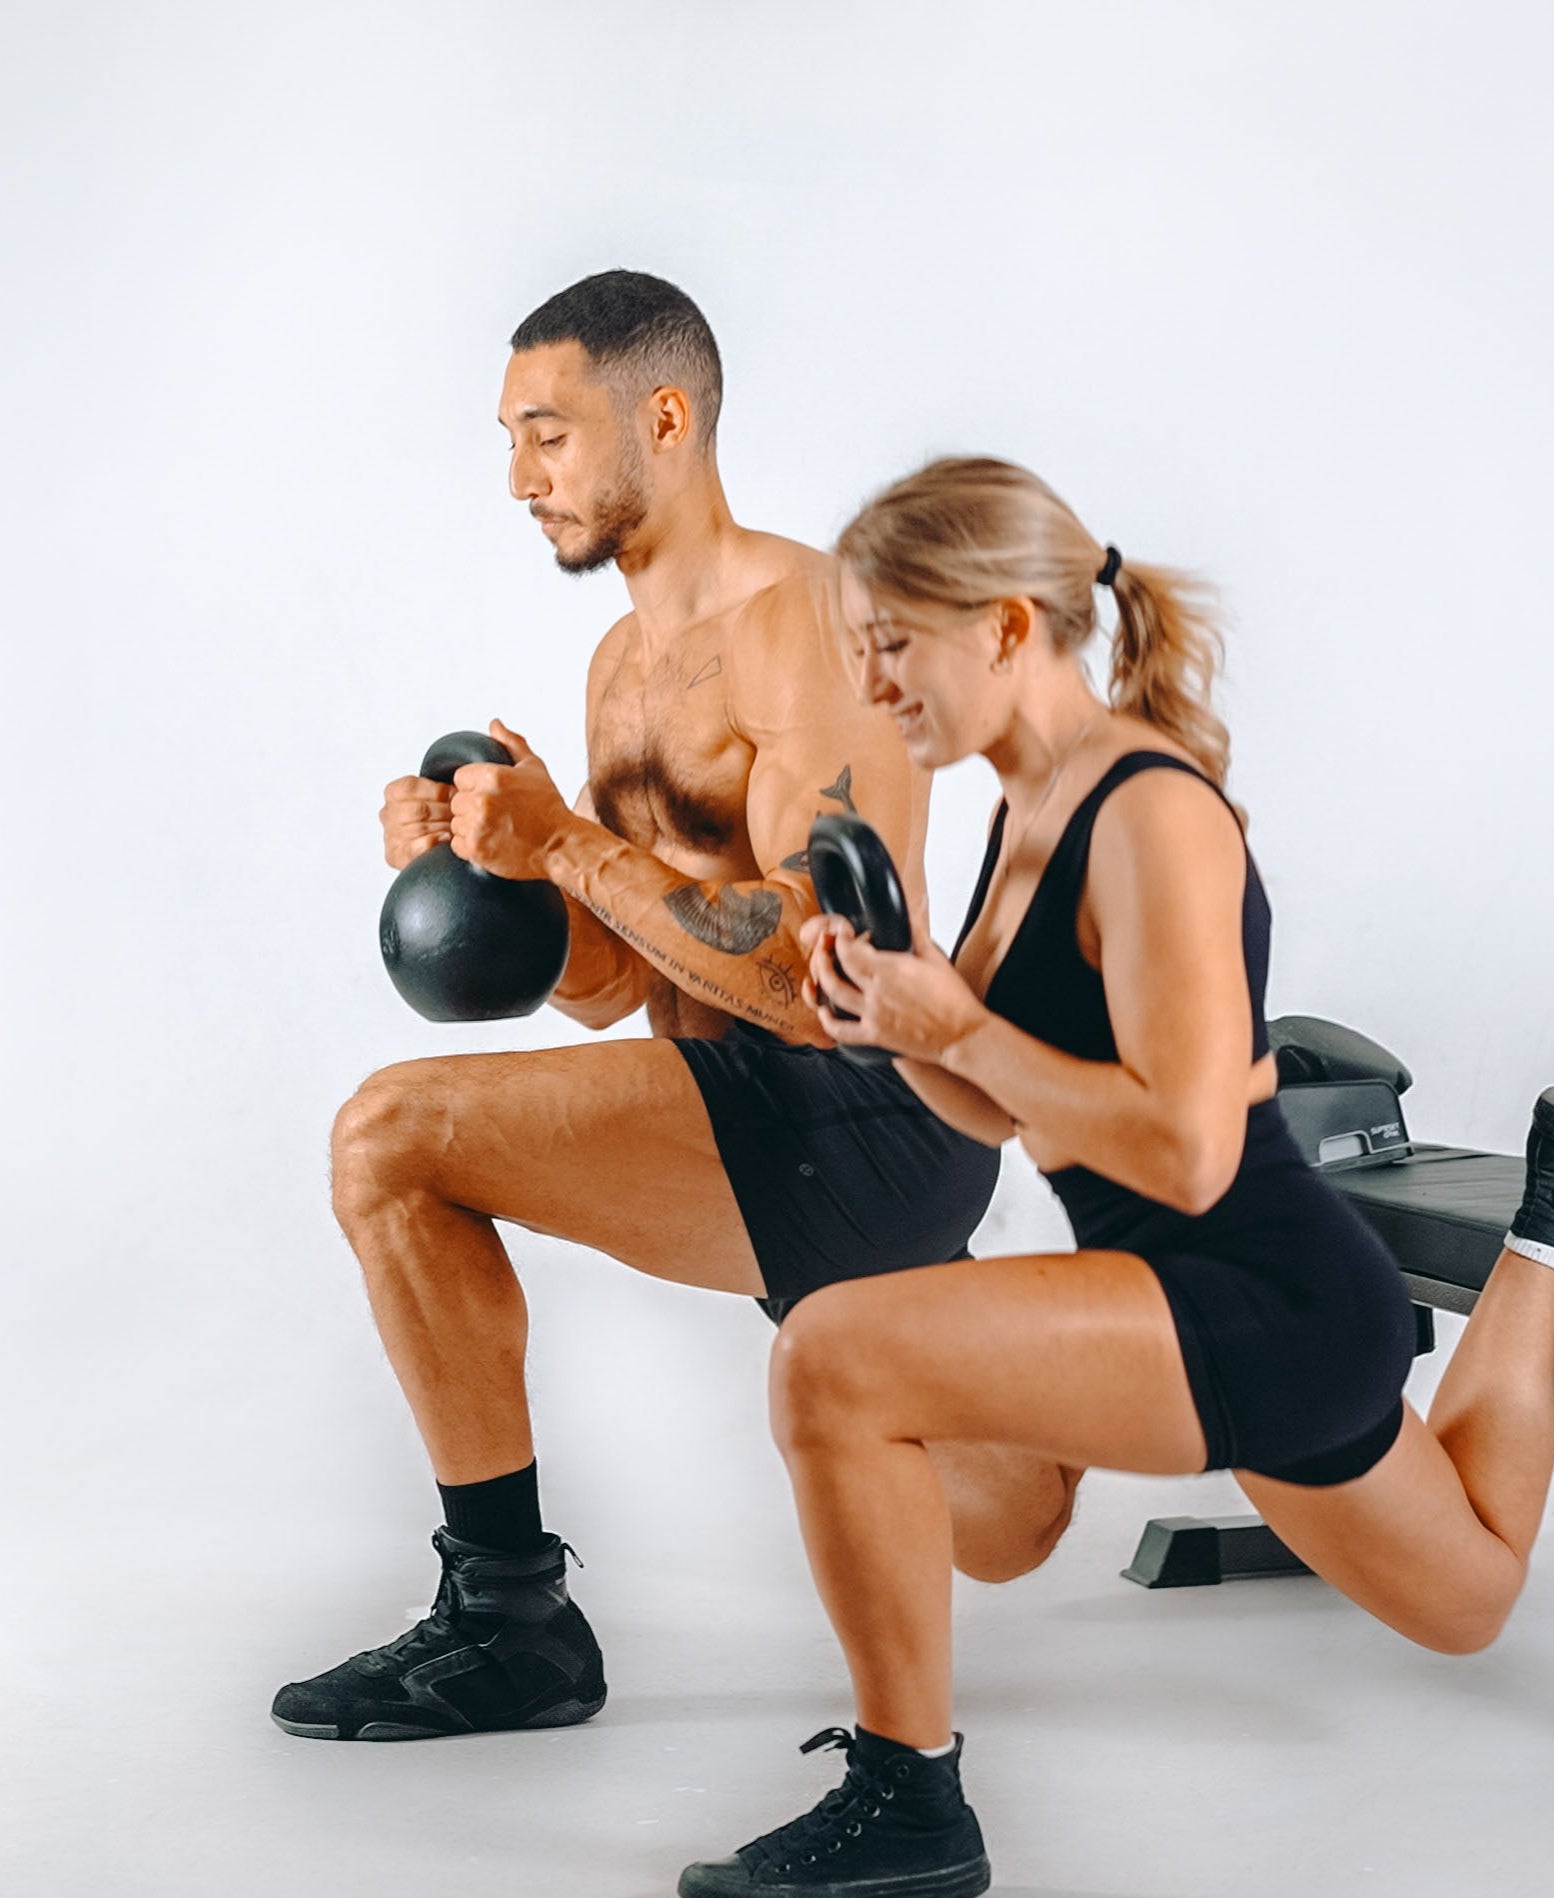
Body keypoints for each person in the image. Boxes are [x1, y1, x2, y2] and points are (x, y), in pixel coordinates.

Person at [674, 457, 1554, 1898]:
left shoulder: (1152, 812)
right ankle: (1553, 1222)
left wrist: (962, 1022)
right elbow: (992, 1110)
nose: (872, 689)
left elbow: (1185, 1148)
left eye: (890, 643)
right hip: (1195, 1301)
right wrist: (884, 1019)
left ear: (1001, 626)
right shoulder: (1025, 810)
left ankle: (909, 1806)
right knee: (1475, 1596)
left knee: (833, 1355)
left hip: (1257, 1293)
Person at [272, 275, 1043, 1744]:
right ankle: (1274, 1383)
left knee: (390, 1135)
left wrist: (564, 839)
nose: (520, 478)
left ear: (665, 419)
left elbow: (818, 982)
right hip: (751, 1127)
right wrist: (494, 868)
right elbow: (625, 980)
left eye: (548, 435)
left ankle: (510, 1621)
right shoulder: (620, 665)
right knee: (1013, 1521)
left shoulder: (814, 621)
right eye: (508, 440)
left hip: (862, 1112)